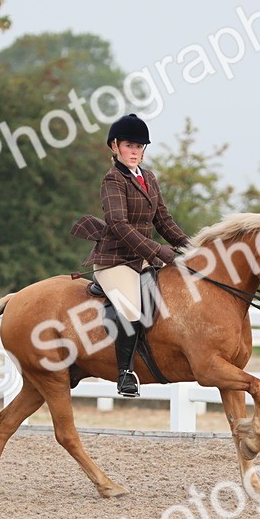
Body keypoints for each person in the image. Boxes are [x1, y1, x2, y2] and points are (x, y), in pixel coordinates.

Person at [69, 113, 192, 398]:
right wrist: (159, 251)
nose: (135, 152)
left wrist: (189, 245)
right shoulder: (112, 180)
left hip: (143, 259)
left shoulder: (148, 178)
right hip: (115, 260)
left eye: (139, 147)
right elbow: (118, 225)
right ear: (115, 147)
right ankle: (125, 373)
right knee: (131, 308)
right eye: (129, 146)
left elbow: (163, 220)